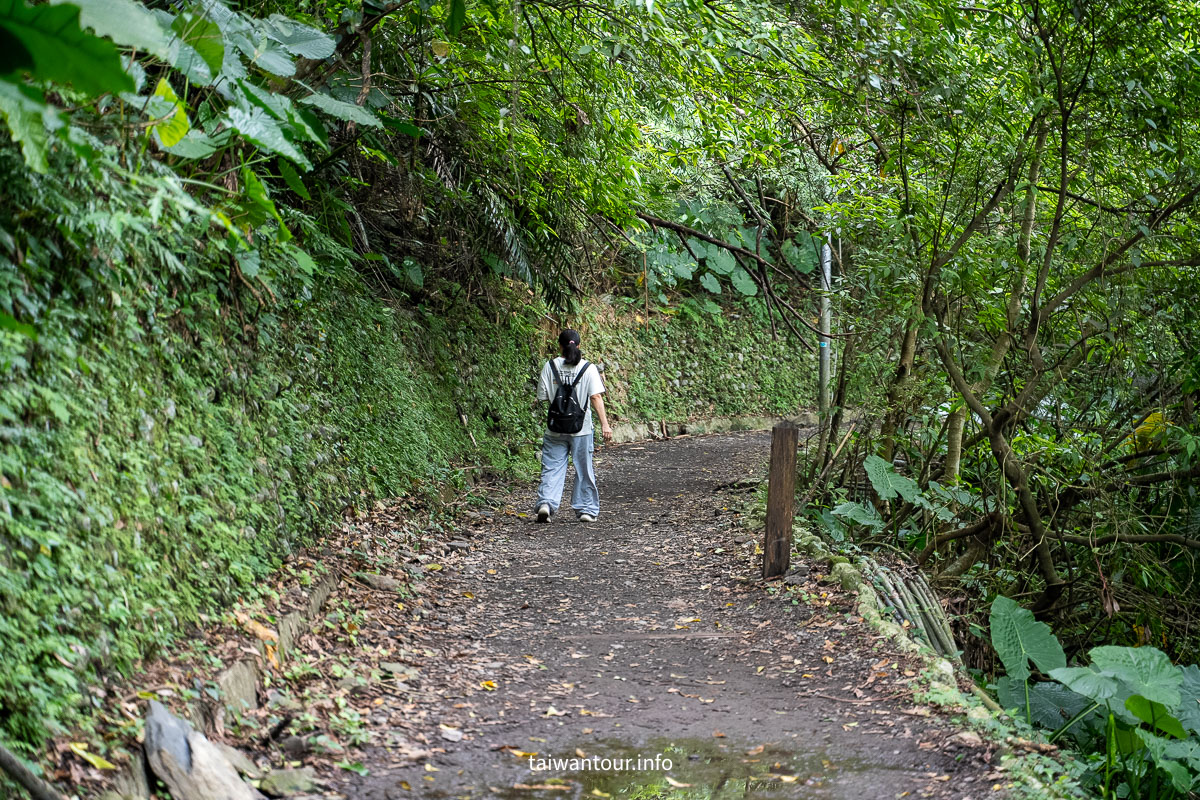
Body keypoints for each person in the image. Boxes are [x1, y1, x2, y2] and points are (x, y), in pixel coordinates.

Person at [534, 329, 613, 523]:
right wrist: (605, 424)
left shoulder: (550, 366)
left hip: (555, 427)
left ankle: (546, 504)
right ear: (578, 345)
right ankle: (586, 509)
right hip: (582, 429)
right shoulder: (588, 368)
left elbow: (543, 397)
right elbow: (595, 396)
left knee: (552, 467)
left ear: (559, 346)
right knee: (583, 468)